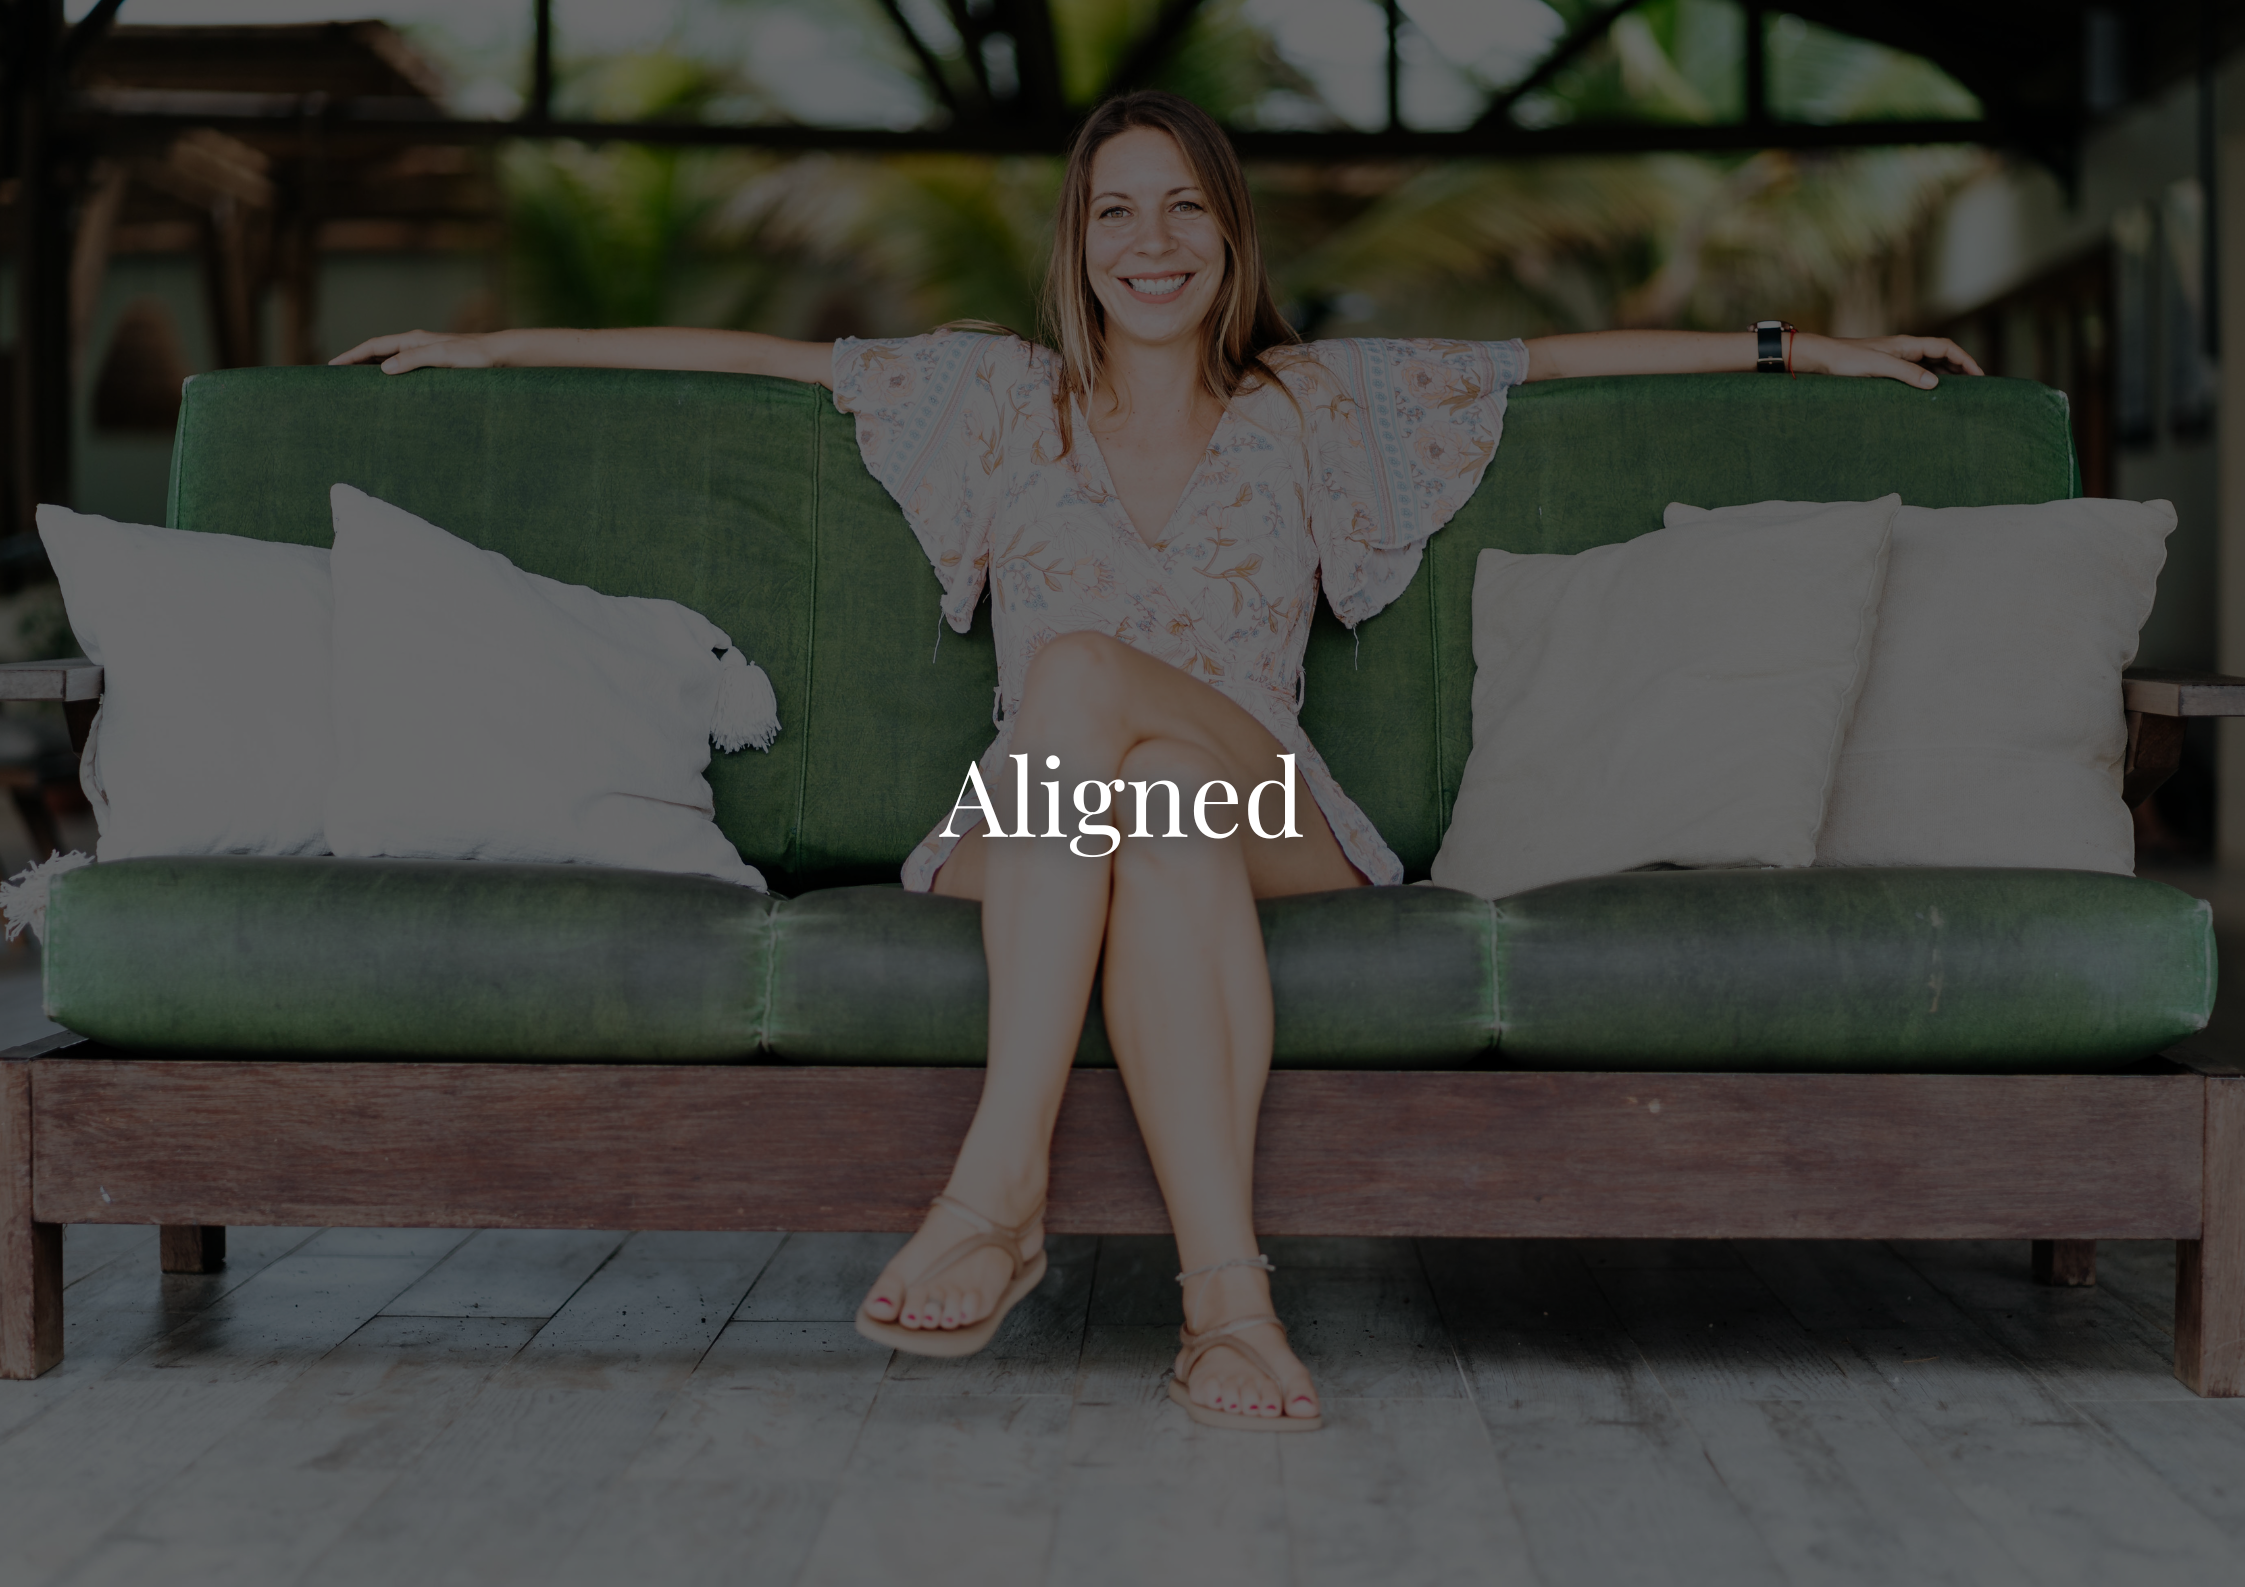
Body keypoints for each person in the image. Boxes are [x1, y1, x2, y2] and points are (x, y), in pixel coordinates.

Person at [333, 89, 1982, 1432]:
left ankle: (999, 1189)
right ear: (1078, 242)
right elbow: (763, 367)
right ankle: (1228, 1310)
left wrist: (1804, 351)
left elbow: (1545, 366)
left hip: (1284, 811)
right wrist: (497, 350)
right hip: (1056, 825)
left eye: (1186, 205)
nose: (1154, 241)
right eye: (1119, 209)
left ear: (1230, 234)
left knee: (1092, 688)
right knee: (1144, 796)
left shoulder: (1319, 404)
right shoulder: (992, 401)